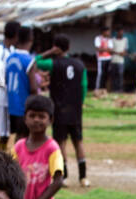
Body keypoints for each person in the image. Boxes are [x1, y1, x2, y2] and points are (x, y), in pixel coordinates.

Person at [36, 35, 89, 186]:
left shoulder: (53, 63)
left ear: (55, 47)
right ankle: (83, 177)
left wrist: (48, 52)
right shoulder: (80, 65)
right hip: (75, 109)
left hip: (59, 109)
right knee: (78, 142)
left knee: (61, 143)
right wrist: (79, 102)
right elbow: (84, 86)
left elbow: (36, 62)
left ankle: (64, 176)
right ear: (69, 48)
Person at [0, 21, 19, 152]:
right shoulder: (0, 51)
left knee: (13, 128)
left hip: (12, 96)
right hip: (4, 97)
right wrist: (4, 87)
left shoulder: (12, 50)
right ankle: (1, 156)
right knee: (4, 131)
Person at [4, 27, 35, 143]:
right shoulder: (29, 60)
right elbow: (33, 88)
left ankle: (15, 159)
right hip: (24, 106)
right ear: (31, 39)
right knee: (25, 138)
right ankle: (19, 161)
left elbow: (5, 79)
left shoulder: (9, 58)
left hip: (12, 105)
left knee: (18, 137)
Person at [110, 28, 128, 92]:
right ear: (117, 32)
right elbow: (110, 50)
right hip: (113, 60)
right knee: (113, 76)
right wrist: (118, 53)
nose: (121, 33)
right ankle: (113, 89)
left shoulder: (125, 40)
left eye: (122, 32)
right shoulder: (113, 40)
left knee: (120, 75)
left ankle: (120, 89)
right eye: (120, 32)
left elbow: (126, 50)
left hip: (121, 61)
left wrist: (123, 53)